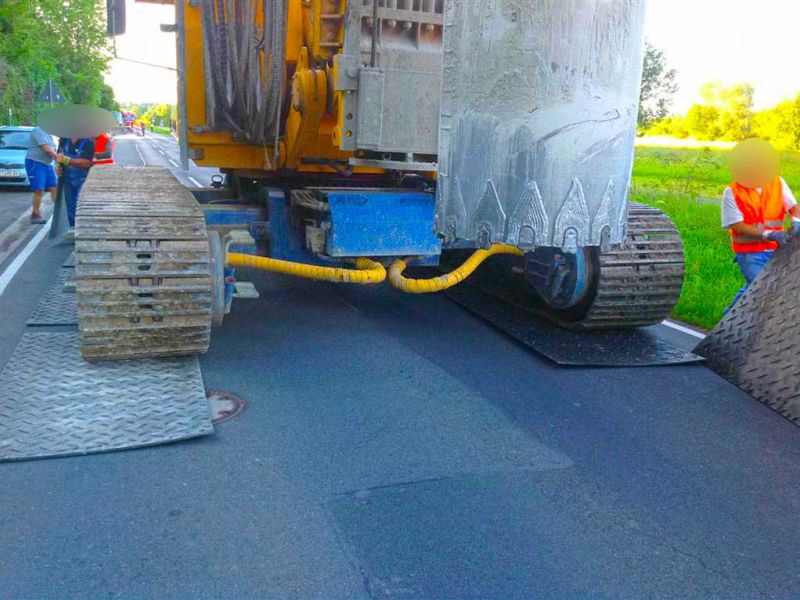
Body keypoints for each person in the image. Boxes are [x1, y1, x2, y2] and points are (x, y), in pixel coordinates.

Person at [722, 138, 800, 308]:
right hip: (750, 253)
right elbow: (737, 225)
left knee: (753, 288)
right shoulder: (732, 191)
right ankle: (734, 320)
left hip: (776, 249)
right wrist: (768, 234)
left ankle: (729, 317)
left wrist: (796, 222)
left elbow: (794, 207)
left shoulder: (777, 182)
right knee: (761, 288)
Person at [56, 137, 95, 228]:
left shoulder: (88, 142)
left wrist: (66, 160)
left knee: (81, 208)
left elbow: (87, 163)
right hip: (68, 180)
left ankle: (83, 232)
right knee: (71, 208)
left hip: (83, 180)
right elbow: (59, 155)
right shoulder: (64, 140)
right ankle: (73, 231)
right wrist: (57, 165)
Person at [24, 126, 59, 224]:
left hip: (47, 164)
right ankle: (35, 214)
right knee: (39, 189)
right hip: (35, 163)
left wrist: (57, 162)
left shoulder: (50, 133)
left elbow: (54, 149)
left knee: (54, 187)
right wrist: (59, 158)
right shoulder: (38, 131)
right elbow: (46, 149)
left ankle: (58, 212)